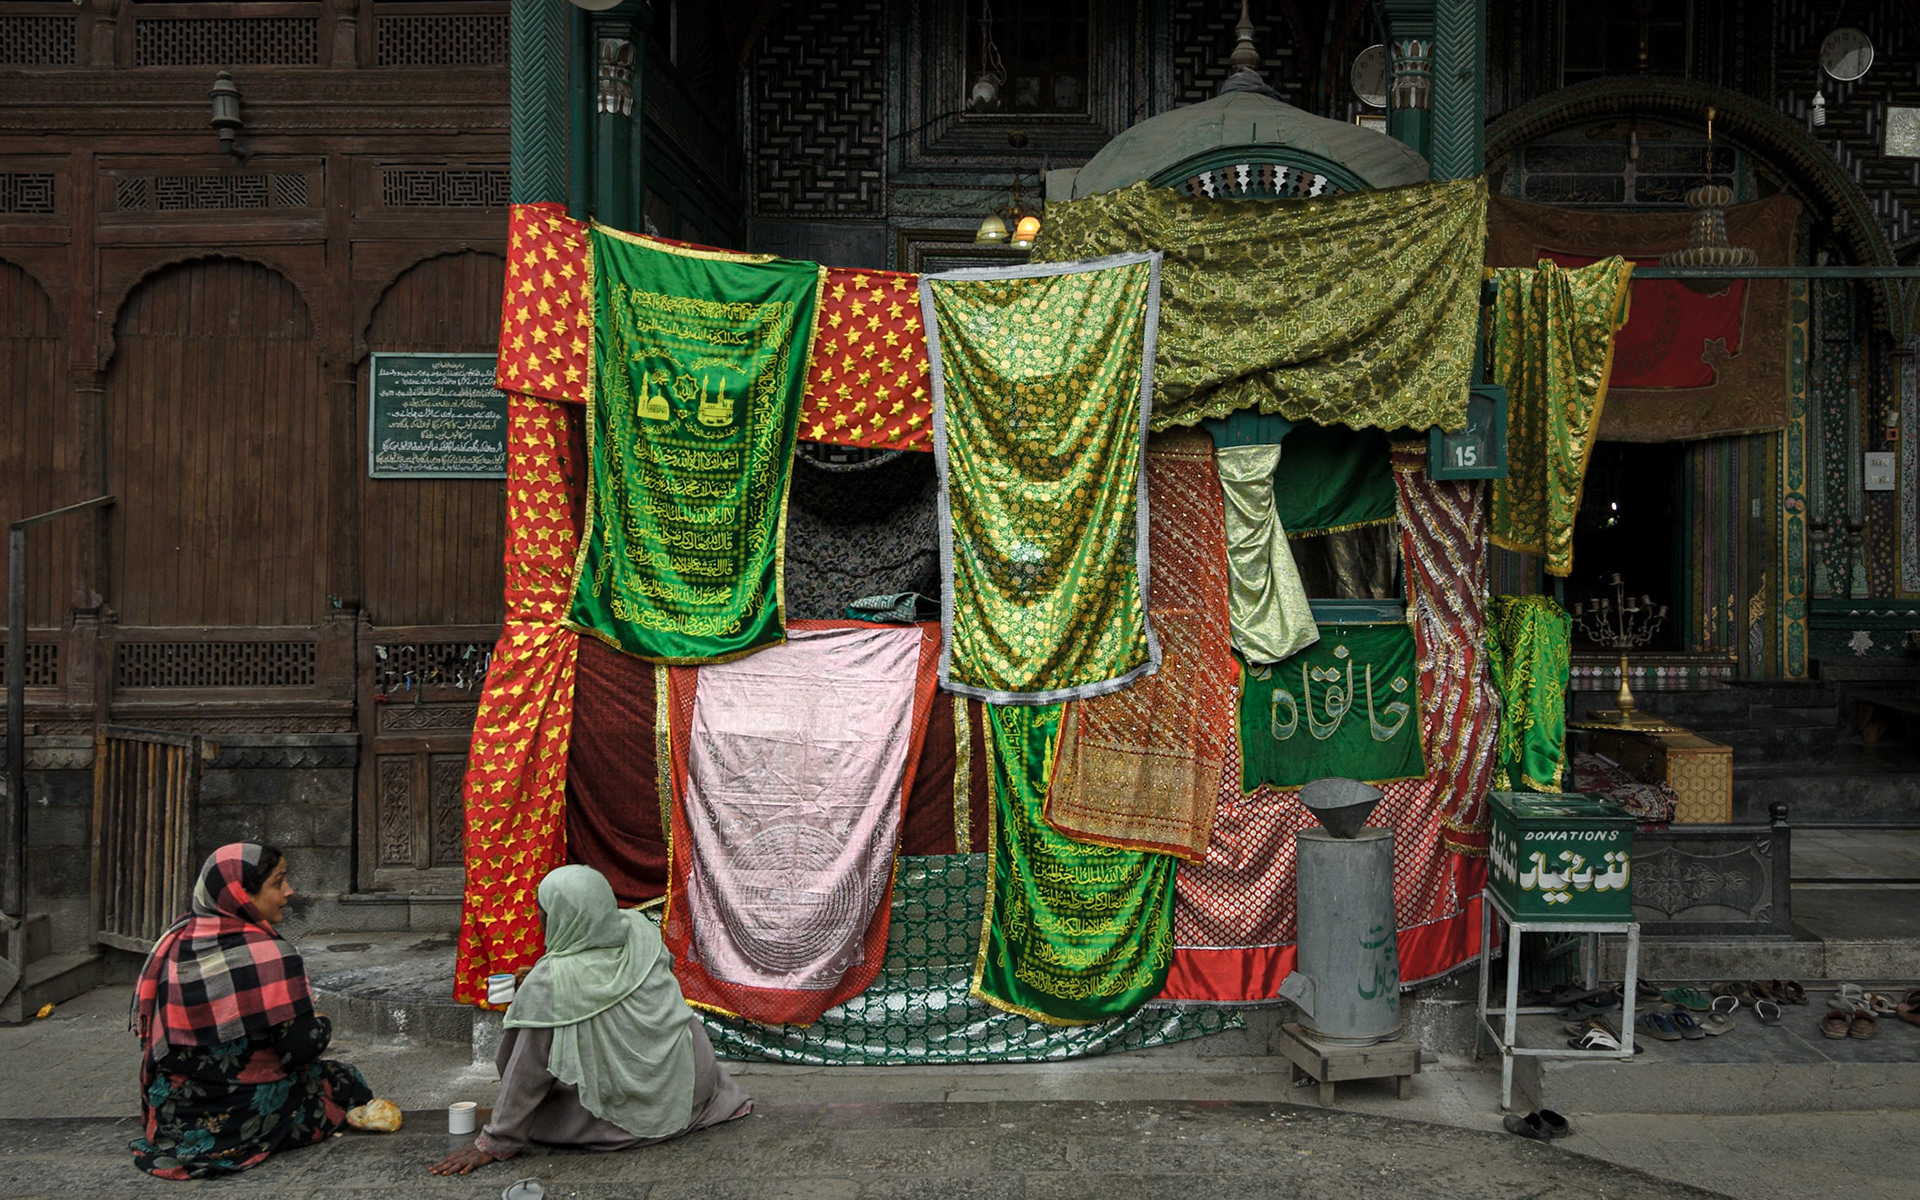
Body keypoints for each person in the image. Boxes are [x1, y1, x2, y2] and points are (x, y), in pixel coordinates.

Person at [432, 865, 751, 1175]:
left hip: (630, 1120)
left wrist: (494, 1142)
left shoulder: (551, 982)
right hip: (694, 1088)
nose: (541, 920)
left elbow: (525, 1073)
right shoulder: (639, 933)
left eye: (544, 912)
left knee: (546, 1114)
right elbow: (609, 983)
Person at [129, 842, 373, 1180]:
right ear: (241, 894)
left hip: (172, 1118)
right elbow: (299, 1049)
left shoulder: (173, 943)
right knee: (344, 1080)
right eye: (278, 882)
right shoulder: (270, 955)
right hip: (243, 1118)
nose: (289, 891)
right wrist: (321, 1023)